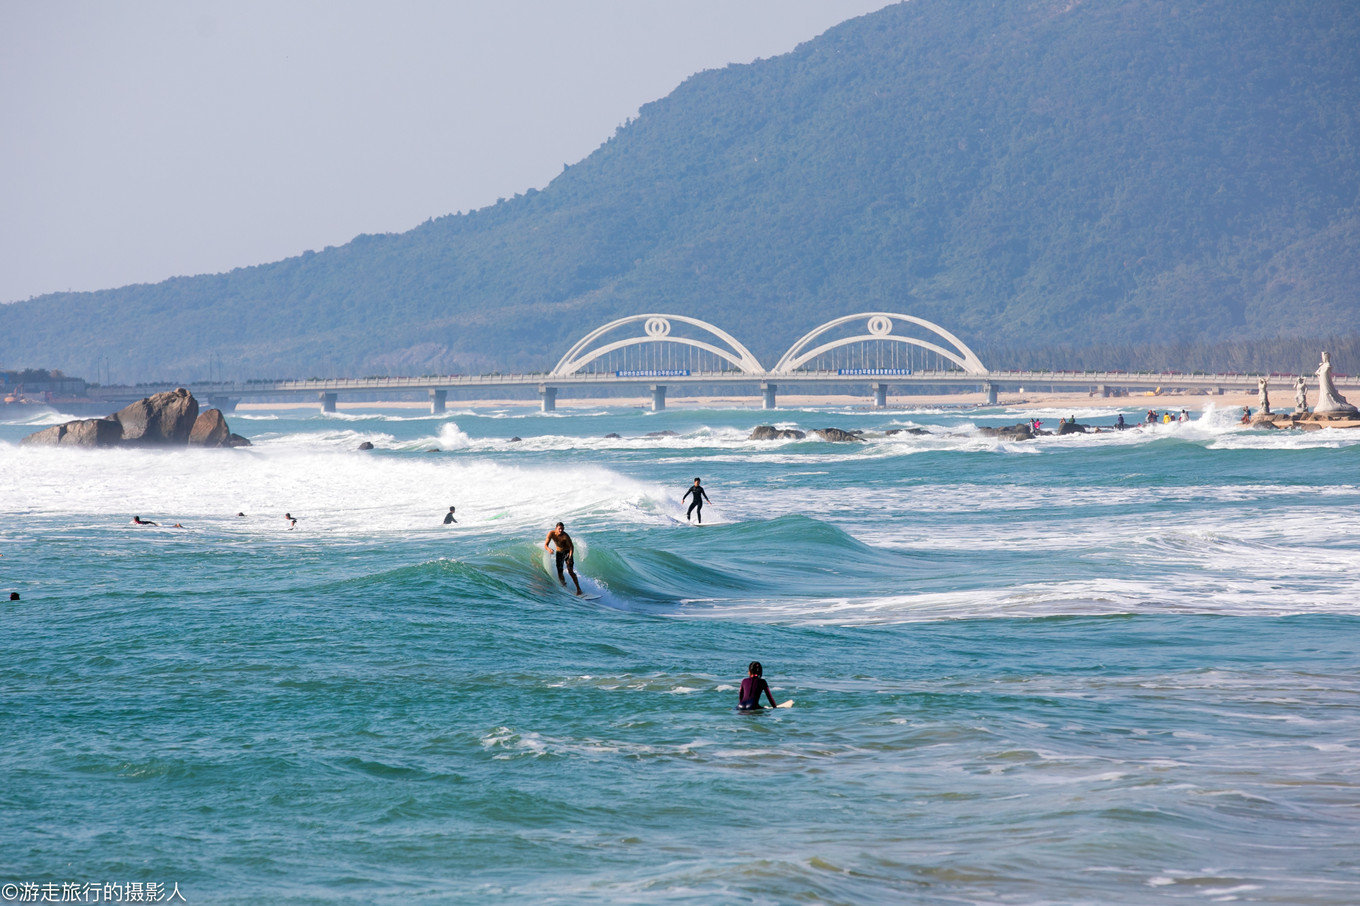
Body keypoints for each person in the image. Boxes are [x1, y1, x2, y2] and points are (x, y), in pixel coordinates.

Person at [544, 522, 582, 595]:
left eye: (562, 529)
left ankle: (578, 589)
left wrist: (570, 557)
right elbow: (545, 545)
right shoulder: (551, 534)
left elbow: (571, 547)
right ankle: (564, 587)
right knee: (560, 572)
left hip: (567, 552)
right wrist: (549, 549)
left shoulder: (565, 536)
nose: (561, 530)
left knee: (570, 570)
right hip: (559, 553)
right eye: (559, 529)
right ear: (556, 529)